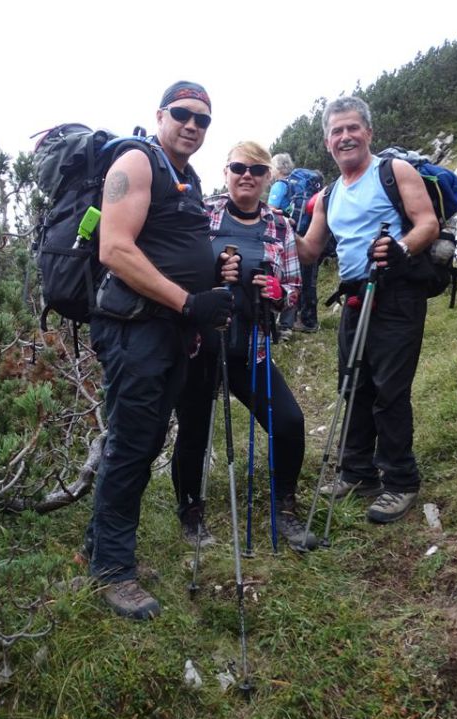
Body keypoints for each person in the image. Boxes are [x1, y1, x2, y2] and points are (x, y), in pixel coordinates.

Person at [84, 81, 236, 621]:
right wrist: (188, 301)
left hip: (168, 331)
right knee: (131, 444)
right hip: (136, 329)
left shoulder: (187, 178)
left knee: (143, 443)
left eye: (203, 119)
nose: (193, 125)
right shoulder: (138, 160)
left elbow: (172, 247)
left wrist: (214, 278)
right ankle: (112, 572)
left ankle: (103, 550)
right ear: (161, 115)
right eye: (183, 114)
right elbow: (115, 249)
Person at [297, 96, 440, 525]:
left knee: (389, 389)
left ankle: (400, 481)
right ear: (327, 142)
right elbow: (309, 250)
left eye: (353, 128)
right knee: (354, 384)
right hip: (356, 297)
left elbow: (427, 223)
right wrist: (273, 229)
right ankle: (357, 471)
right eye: (337, 131)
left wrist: (399, 248)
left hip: (397, 292)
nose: (345, 137)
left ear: (369, 133)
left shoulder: (393, 171)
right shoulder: (328, 195)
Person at [172, 141, 318, 552]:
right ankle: (190, 510)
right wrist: (212, 275)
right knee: (194, 430)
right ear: (226, 172)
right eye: (239, 167)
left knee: (288, 422)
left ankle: (284, 508)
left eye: (257, 169)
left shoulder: (280, 225)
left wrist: (276, 291)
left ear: (269, 177)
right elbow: (180, 275)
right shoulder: (203, 215)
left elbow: (292, 289)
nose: (247, 176)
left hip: (250, 348)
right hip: (203, 344)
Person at [268, 153, 321, 339]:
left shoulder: (280, 185)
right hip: (310, 235)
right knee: (306, 279)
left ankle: (283, 326)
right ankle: (308, 320)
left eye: (272, 167)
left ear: (279, 168)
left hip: (286, 237)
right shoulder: (302, 186)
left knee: (283, 279)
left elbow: (270, 209)